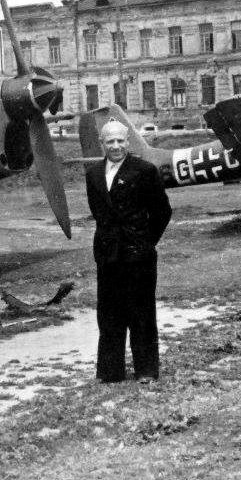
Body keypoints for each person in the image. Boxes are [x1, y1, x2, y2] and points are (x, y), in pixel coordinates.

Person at [85, 119, 172, 384]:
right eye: (110, 141)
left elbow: (162, 211)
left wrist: (145, 242)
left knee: (141, 312)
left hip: (138, 256)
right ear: (102, 144)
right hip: (108, 255)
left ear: (128, 142)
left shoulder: (144, 170)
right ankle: (111, 372)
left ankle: (146, 370)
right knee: (109, 313)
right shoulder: (93, 174)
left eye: (120, 141)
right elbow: (99, 214)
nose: (116, 146)